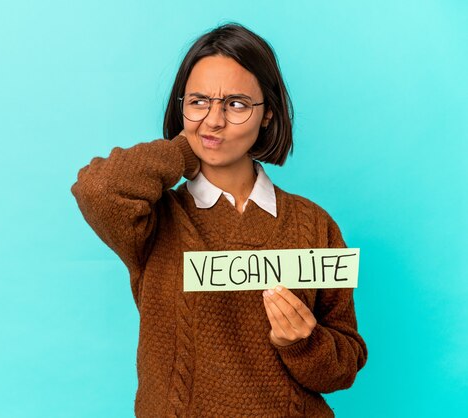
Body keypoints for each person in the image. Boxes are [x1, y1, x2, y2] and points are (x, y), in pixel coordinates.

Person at [71, 22, 367, 417]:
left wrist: (304, 342)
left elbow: (345, 364)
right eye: (198, 102)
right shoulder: (152, 221)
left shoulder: (314, 225)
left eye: (236, 104)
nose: (214, 120)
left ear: (268, 115)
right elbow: (97, 189)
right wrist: (184, 149)